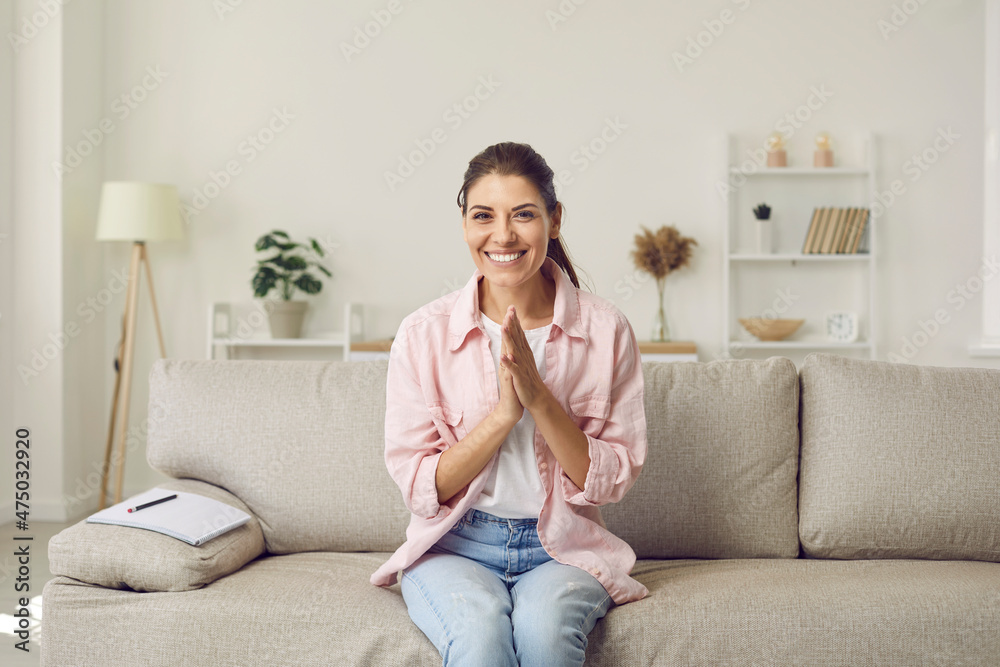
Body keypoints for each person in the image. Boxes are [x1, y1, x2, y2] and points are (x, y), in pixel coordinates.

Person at [370, 141, 648, 666]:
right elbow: (418, 486)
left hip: (563, 547)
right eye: (484, 216)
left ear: (554, 220)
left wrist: (540, 398)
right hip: (455, 546)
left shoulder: (607, 330)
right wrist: (503, 416)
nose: (503, 235)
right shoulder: (422, 335)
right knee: (478, 642)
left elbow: (612, 480)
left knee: (545, 636)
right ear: (464, 223)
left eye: (524, 215)